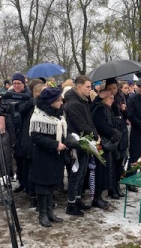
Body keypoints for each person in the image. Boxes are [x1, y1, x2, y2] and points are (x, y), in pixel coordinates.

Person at [29, 87, 66, 227]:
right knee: (43, 186)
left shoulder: (57, 114)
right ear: (51, 102)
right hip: (43, 156)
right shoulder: (38, 115)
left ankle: (50, 212)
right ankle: (42, 214)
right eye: (59, 100)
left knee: (51, 185)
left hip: (55, 156)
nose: (62, 102)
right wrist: (56, 144)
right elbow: (36, 137)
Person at [64, 75, 98, 216]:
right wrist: (94, 135)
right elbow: (80, 124)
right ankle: (71, 204)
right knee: (76, 173)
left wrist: (94, 133)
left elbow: (89, 121)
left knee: (82, 173)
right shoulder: (73, 103)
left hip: (85, 141)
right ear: (79, 87)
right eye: (87, 87)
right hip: (77, 142)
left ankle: (77, 199)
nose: (90, 90)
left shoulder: (82, 101)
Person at [91, 89, 122, 208]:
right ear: (104, 98)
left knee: (106, 170)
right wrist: (114, 134)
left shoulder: (108, 108)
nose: (112, 101)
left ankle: (100, 196)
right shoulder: (99, 109)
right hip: (101, 143)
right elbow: (102, 126)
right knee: (100, 171)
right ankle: (96, 197)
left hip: (108, 143)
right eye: (110, 98)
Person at [103, 78, 128, 199]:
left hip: (122, 133)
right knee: (114, 161)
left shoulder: (121, 98)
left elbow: (126, 117)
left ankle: (117, 184)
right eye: (109, 89)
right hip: (113, 135)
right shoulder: (107, 101)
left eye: (114, 88)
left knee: (121, 161)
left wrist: (124, 110)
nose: (112, 91)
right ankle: (111, 188)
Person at [8, 73, 32, 194]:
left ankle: (28, 184)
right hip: (13, 130)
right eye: (15, 83)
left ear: (24, 83)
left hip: (25, 130)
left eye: (19, 83)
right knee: (17, 158)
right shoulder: (9, 95)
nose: (17, 85)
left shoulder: (28, 95)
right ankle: (21, 182)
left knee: (26, 159)